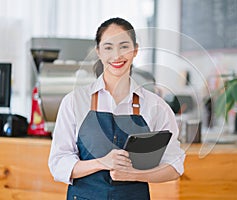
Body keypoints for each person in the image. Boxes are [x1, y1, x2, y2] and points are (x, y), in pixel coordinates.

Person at [48, 17, 185, 200]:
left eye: (124, 46)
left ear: (135, 50)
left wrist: (134, 174)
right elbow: (58, 164)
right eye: (108, 47)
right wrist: (101, 163)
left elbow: (174, 166)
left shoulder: (155, 106)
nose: (117, 55)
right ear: (98, 51)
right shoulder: (74, 101)